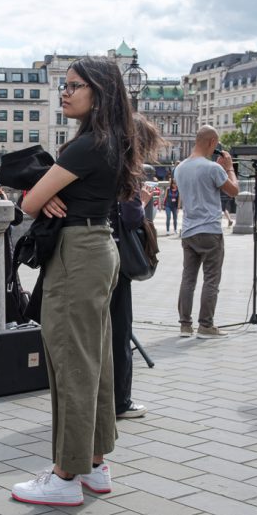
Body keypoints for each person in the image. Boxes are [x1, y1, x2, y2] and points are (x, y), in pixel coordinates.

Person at [10, 57, 137, 507]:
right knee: (94, 359)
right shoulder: (113, 139)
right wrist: (50, 197)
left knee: (71, 364)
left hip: (77, 255)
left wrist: (43, 197)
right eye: (63, 86)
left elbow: (29, 202)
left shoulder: (84, 146)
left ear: (98, 92)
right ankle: (96, 464)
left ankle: (65, 475)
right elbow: (48, 198)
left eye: (74, 86)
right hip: (99, 246)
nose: (64, 93)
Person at [111, 114, 166, 420]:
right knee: (120, 332)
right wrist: (143, 200)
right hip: (117, 262)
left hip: (90, 256)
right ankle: (121, 400)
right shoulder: (129, 171)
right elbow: (131, 219)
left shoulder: (102, 160)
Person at [173, 126, 238, 338]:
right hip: (209, 230)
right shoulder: (213, 168)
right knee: (211, 279)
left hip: (189, 230)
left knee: (188, 278)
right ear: (212, 142)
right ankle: (206, 325)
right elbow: (234, 191)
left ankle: (185, 325)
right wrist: (228, 168)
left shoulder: (180, 168)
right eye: (216, 145)